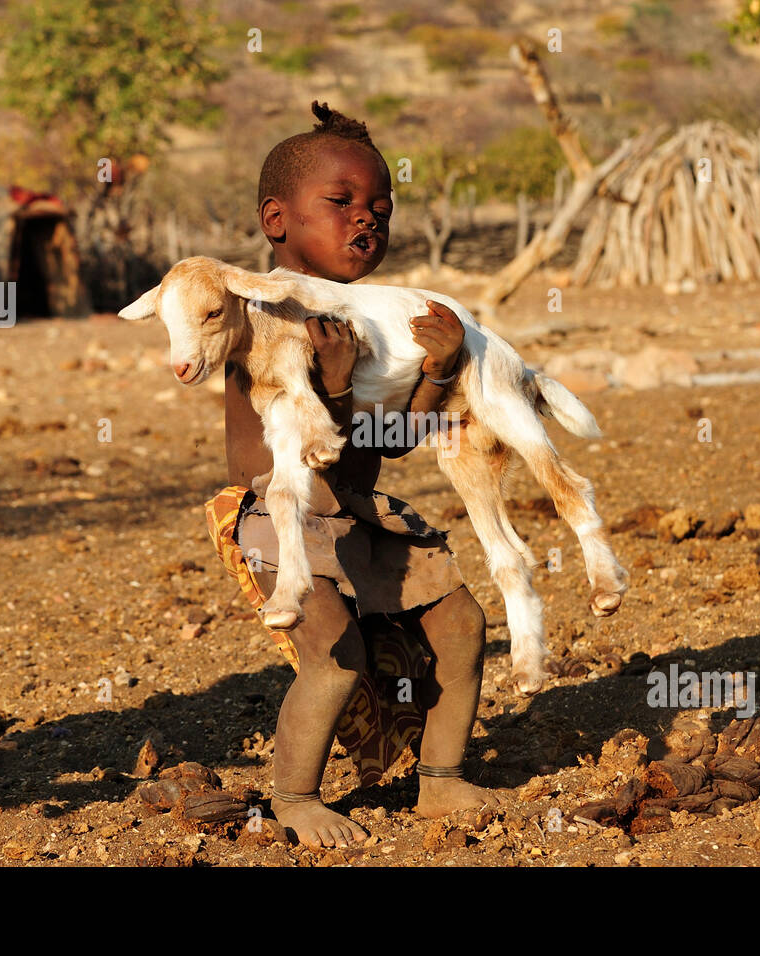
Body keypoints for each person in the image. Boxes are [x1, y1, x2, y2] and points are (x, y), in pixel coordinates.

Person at [203, 101, 494, 849]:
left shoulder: (370, 317)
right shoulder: (256, 312)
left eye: (380, 208)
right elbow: (276, 450)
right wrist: (329, 387)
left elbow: (395, 439)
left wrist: (439, 367)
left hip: (358, 507)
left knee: (462, 626)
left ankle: (441, 779)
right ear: (278, 219)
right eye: (341, 204)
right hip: (280, 516)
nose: (366, 219)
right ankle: (295, 797)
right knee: (336, 657)